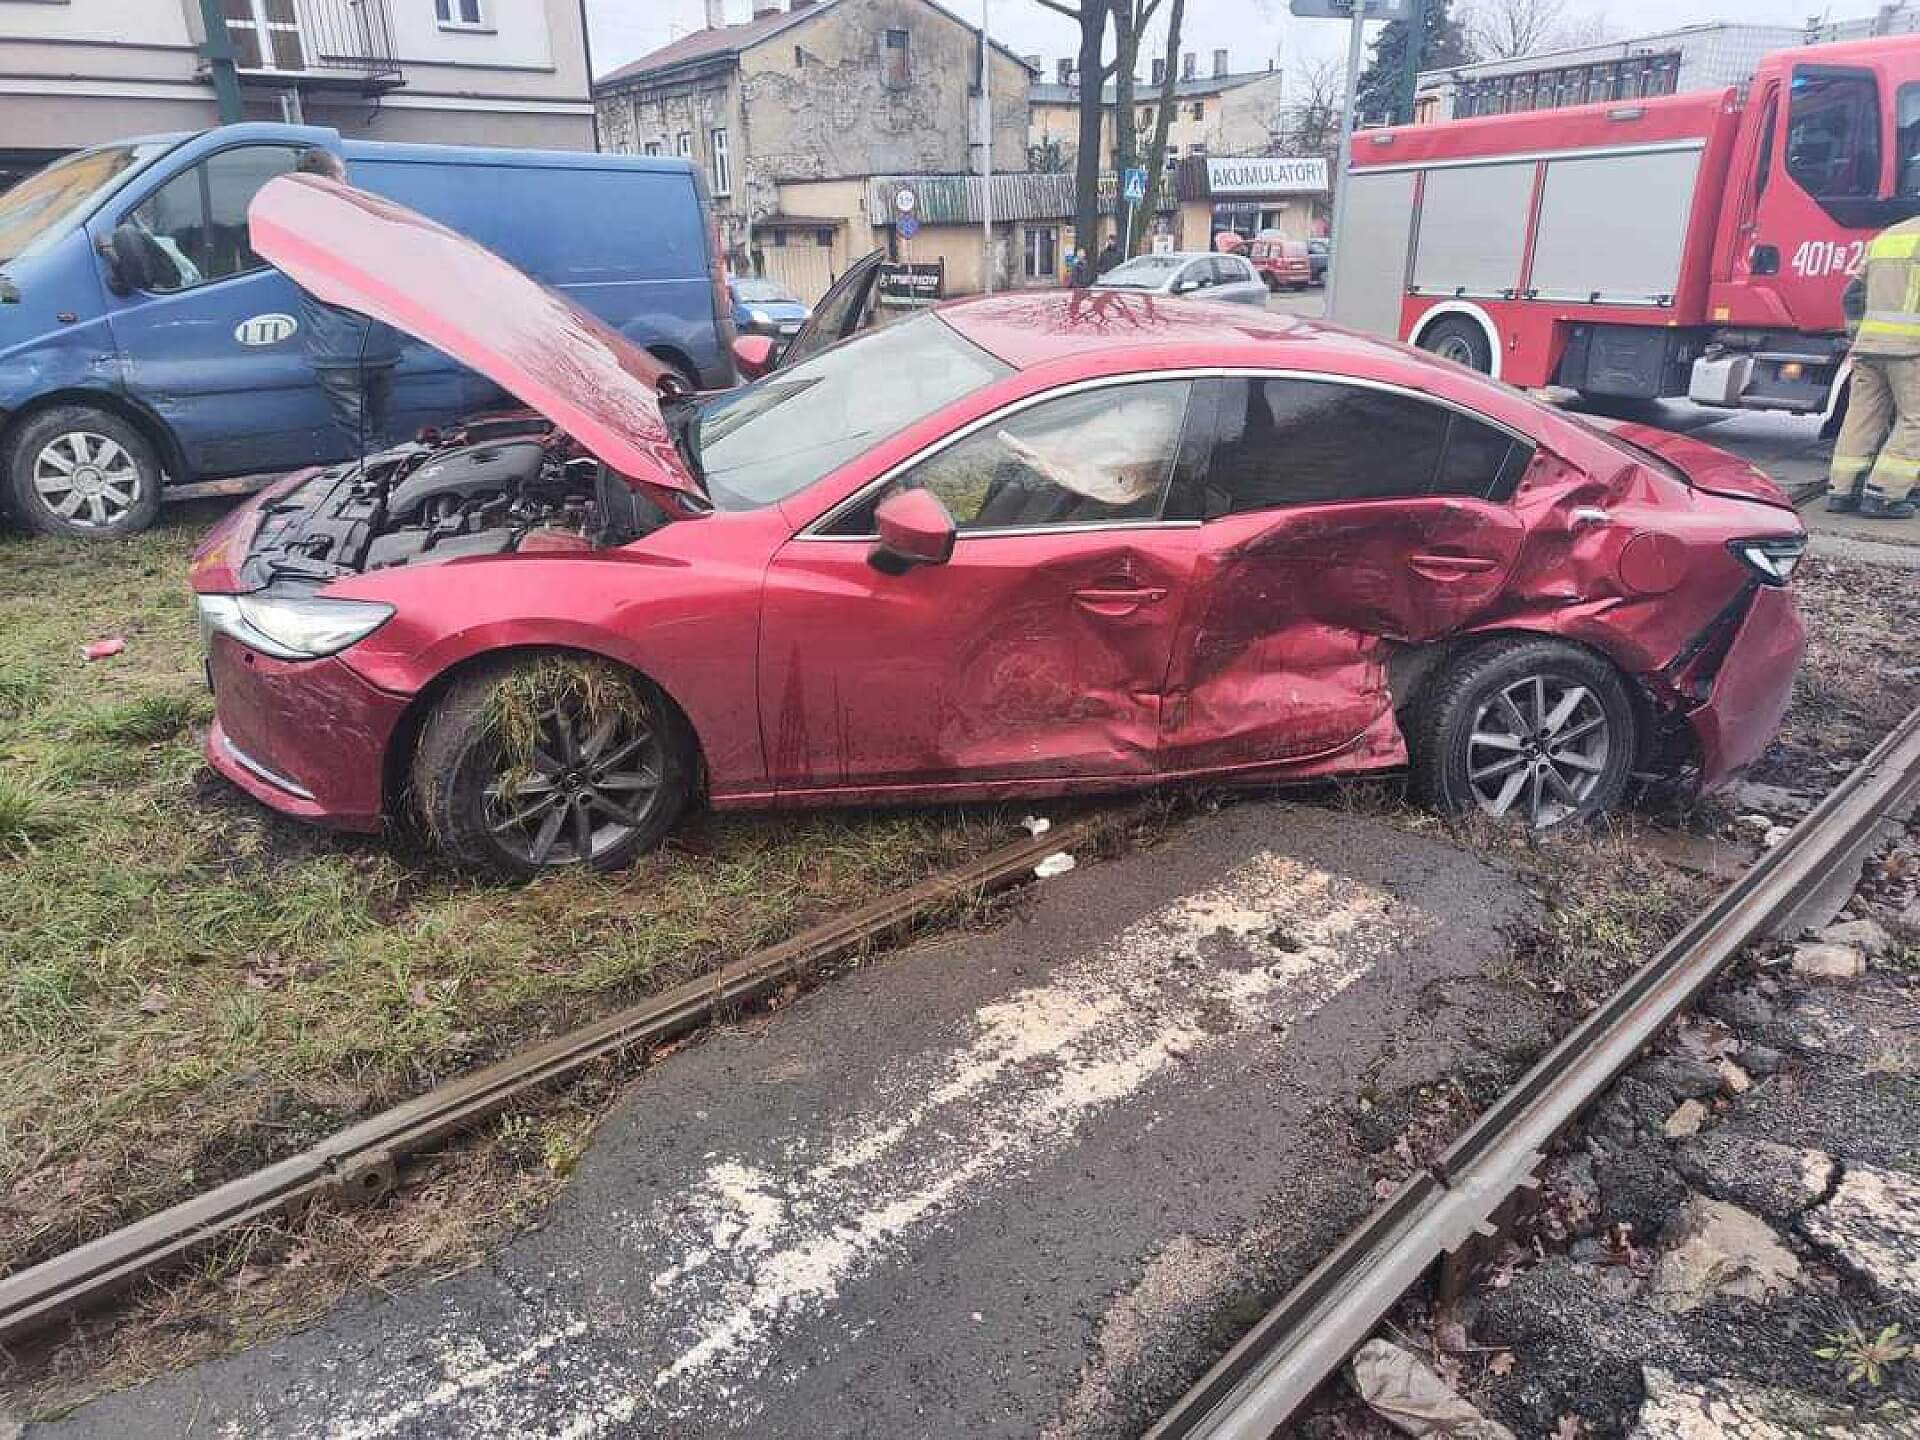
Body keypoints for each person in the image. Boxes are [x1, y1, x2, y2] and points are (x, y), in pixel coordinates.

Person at [291, 148, 404, 455]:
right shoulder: (366, 218)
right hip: (381, 345)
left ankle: (385, 493)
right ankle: (392, 483)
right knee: (379, 434)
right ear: (332, 178)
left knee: (364, 442)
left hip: (337, 352)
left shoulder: (295, 223)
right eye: (342, 175)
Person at [1828, 213, 1920, 519]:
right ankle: (1883, 494)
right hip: (1911, 350)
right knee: (1915, 421)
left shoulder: (1890, 235)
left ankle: (1842, 491)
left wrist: (1858, 334)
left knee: (1862, 417)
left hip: (1869, 348)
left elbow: (1852, 295)